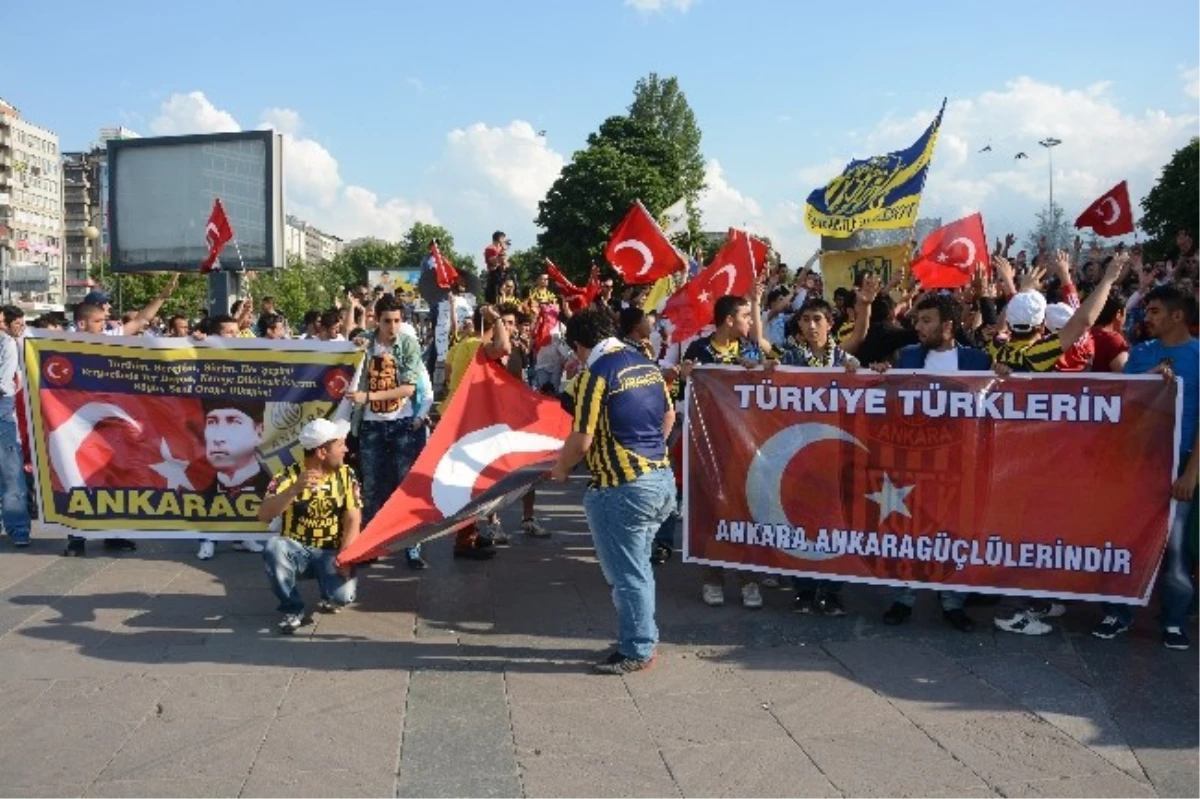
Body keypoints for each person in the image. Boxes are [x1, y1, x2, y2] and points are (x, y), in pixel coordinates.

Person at [550, 308, 675, 675]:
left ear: (579, 345)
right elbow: (668, 416)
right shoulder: (646, 364)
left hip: (621, 489)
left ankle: (637, 648)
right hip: (661, 481)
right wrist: (650, 454)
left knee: (628, 574)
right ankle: (643, 635)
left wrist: (560, 469)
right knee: (639, 568)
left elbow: (582, 439)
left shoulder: (596, 374)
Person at [870, 293, 992, 632]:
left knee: (954, 531)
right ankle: (902, 598)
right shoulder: (907, 356)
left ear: (948, 326)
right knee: (908, 530)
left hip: (960, 463)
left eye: (926, 321)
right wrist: (882, 375)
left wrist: (1004, 375)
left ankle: (952, 601)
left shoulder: (978, 361)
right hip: (912, 460)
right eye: (917, 321)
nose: (918, 327)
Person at [1092, 285, 1200, 650]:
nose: (1146, 317)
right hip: (1139, 460)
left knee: (1176, 547)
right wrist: (1147, 382)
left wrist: (1191, 472)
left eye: (1154, 311)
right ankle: (1116, 611)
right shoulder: (1141, 354)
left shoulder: (1199, 356)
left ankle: (1173, 619)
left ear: (1177, 316)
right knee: (1127, 539)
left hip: (1179, 461)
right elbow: (1121, 406)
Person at [681, 294, 767, 609]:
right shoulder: (699, 350)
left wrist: (758, 370)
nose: (750, 321)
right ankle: (712, 577)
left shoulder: (750, 350)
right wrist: (686, 375)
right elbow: (682, 392)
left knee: (745, 509)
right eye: (746, 315)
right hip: (707, 444)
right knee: (711, 509)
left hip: (744, 445)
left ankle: (748, 579)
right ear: (729, 320)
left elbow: (770, 389)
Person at [258, 418, 362, 634]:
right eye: (340, 444)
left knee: (343, 597)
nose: (346, 449)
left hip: (331, 552)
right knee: (274, 547)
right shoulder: (287, 475)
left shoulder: (346, 474)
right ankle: (292, 609)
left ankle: (329, 593)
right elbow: (264, 514)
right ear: (322, 452)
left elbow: (354, 518)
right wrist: (293, 490)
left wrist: (345, 555)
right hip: (297, 550)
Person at [350, 296, 429, 570]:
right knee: (371, 488)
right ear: (377, 319)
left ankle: (412, 547)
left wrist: (366, 396)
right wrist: (356, 341)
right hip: (371, 425)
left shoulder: (408, 344)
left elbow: (408, 388)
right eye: (387, 321)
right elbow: (348, 339)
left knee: (405, 488)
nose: (393, 326)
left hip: (401, 423)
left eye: (397, 320)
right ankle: (371, 544)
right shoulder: (365, 342)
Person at [0, 306, 30, 548]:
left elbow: (6, 381)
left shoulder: (10, 343)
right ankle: (17, 528)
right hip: (5, 409)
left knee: (11, 472)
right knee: (10, 472)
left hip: (4, 409)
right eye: (18, 323)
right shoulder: (8, 342)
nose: (22, 327)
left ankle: (18, 528)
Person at [484, 231, 511, 304]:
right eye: (503, 239)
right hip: (495, 277)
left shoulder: (499, 249)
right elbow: (494, 262)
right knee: (495, 299)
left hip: (503, 276)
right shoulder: (490, 249)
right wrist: (502, 250)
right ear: (500, 238)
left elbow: (506, 263)